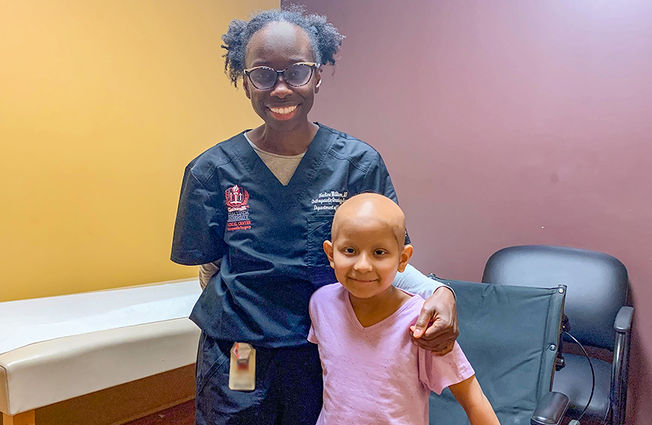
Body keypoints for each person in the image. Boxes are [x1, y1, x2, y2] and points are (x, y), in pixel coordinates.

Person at [171, 6, 459, 424]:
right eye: (264, 74)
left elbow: (383, 257)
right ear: (245, 81)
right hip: (242, 351)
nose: (281, 89)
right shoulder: (212, 171)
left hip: (326, 350)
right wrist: (245, 322)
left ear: (319, 74)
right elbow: (210, 268)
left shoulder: (357, 164)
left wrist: (441, 292)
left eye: (297, 72)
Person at [309, 193, 499, 425]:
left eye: (379, 253)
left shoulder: (422, 322)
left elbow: (473, 400)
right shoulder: (321, 304)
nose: (362, 266)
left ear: (403, 259)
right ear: (331, 253)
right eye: (350, 251)